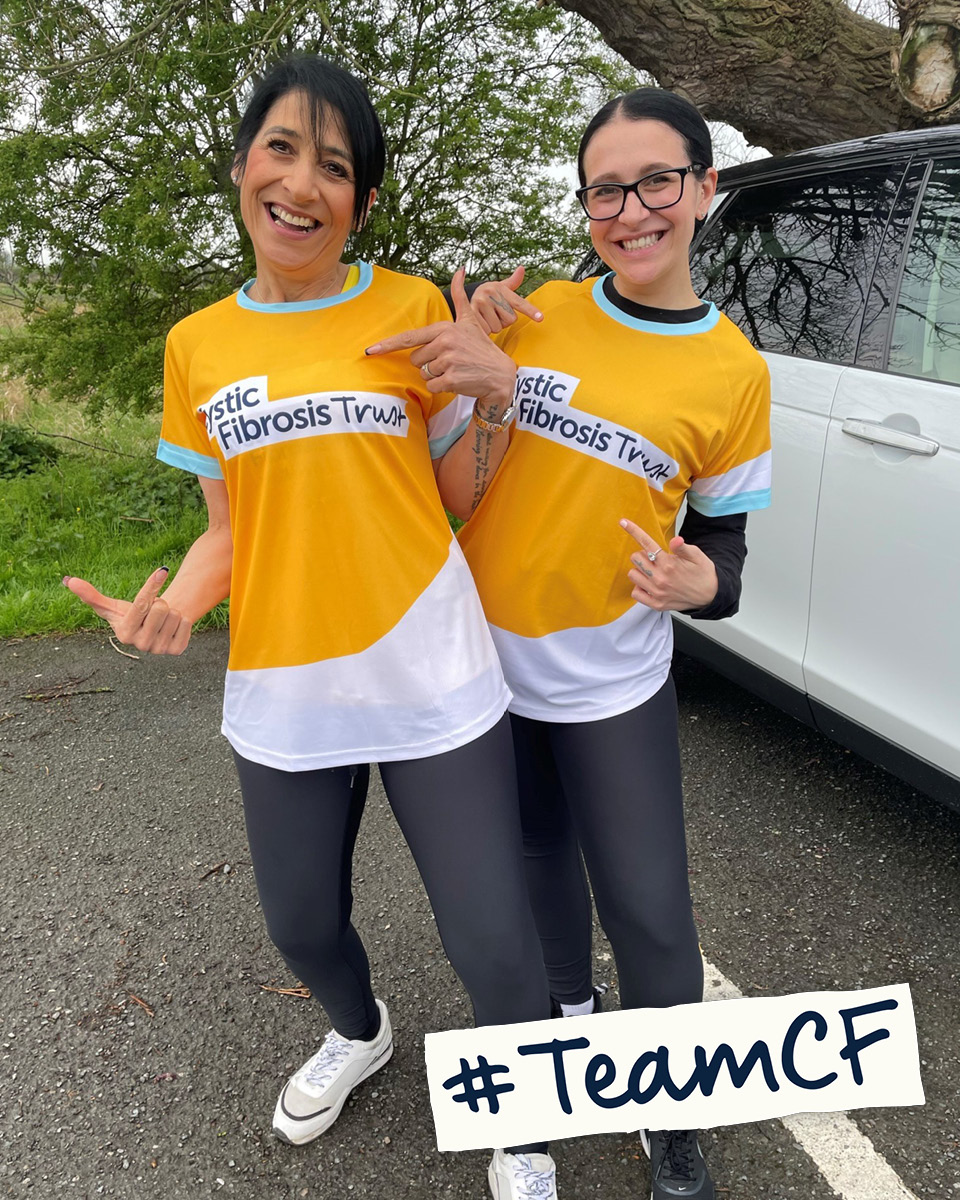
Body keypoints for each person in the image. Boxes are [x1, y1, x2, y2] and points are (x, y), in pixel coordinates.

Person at [63, 53, 554, 1195]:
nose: (302, 183)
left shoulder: (406, 306)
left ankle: (523, 1121)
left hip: (431, 665)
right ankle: (361, 1031)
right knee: (299, 925)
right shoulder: (198, 344)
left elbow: (459, 501)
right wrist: (178, 604)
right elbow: (228, 528)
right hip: (285, 682)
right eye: (281, 149)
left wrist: (494, 396)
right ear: (242, 166)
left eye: (335, 166)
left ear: (362, 201)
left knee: (490, 938)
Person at [367, 87, 772, 1200]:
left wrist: (708, 583)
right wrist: (485, 383)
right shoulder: (535, 309)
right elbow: (467, 483)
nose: (631, 209)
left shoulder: (734, 373)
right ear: (586, 207)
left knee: (647, 906)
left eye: (655, 182)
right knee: (540, 865)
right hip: (486, 670)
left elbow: (724, 548)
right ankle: (565, 1031)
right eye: (606, 189)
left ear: (704, 189)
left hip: (613, 680)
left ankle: (672, 1105)